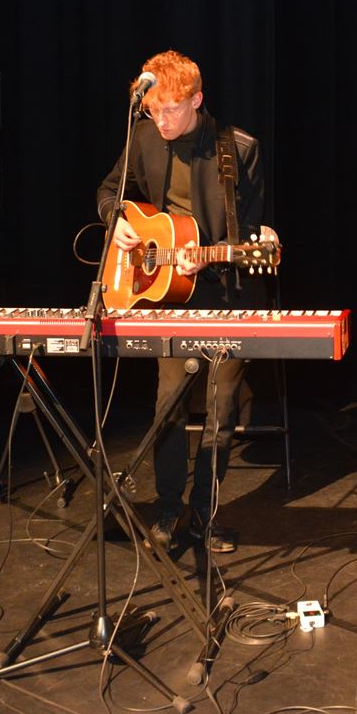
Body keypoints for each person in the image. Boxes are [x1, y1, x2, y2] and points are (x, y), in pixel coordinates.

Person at [96, 50, 267, 554]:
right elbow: (110, 191)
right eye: (155, 111)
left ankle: (205, 516)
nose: (163, 121)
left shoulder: (239, 148)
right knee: (168, 404)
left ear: (197, 99)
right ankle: (168, 508)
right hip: (167, 291)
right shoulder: (144, 135)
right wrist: (115, 220)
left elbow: (250, 233)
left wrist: (211, 256)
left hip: (226, 291)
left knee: (220, 406)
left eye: (172, 109)